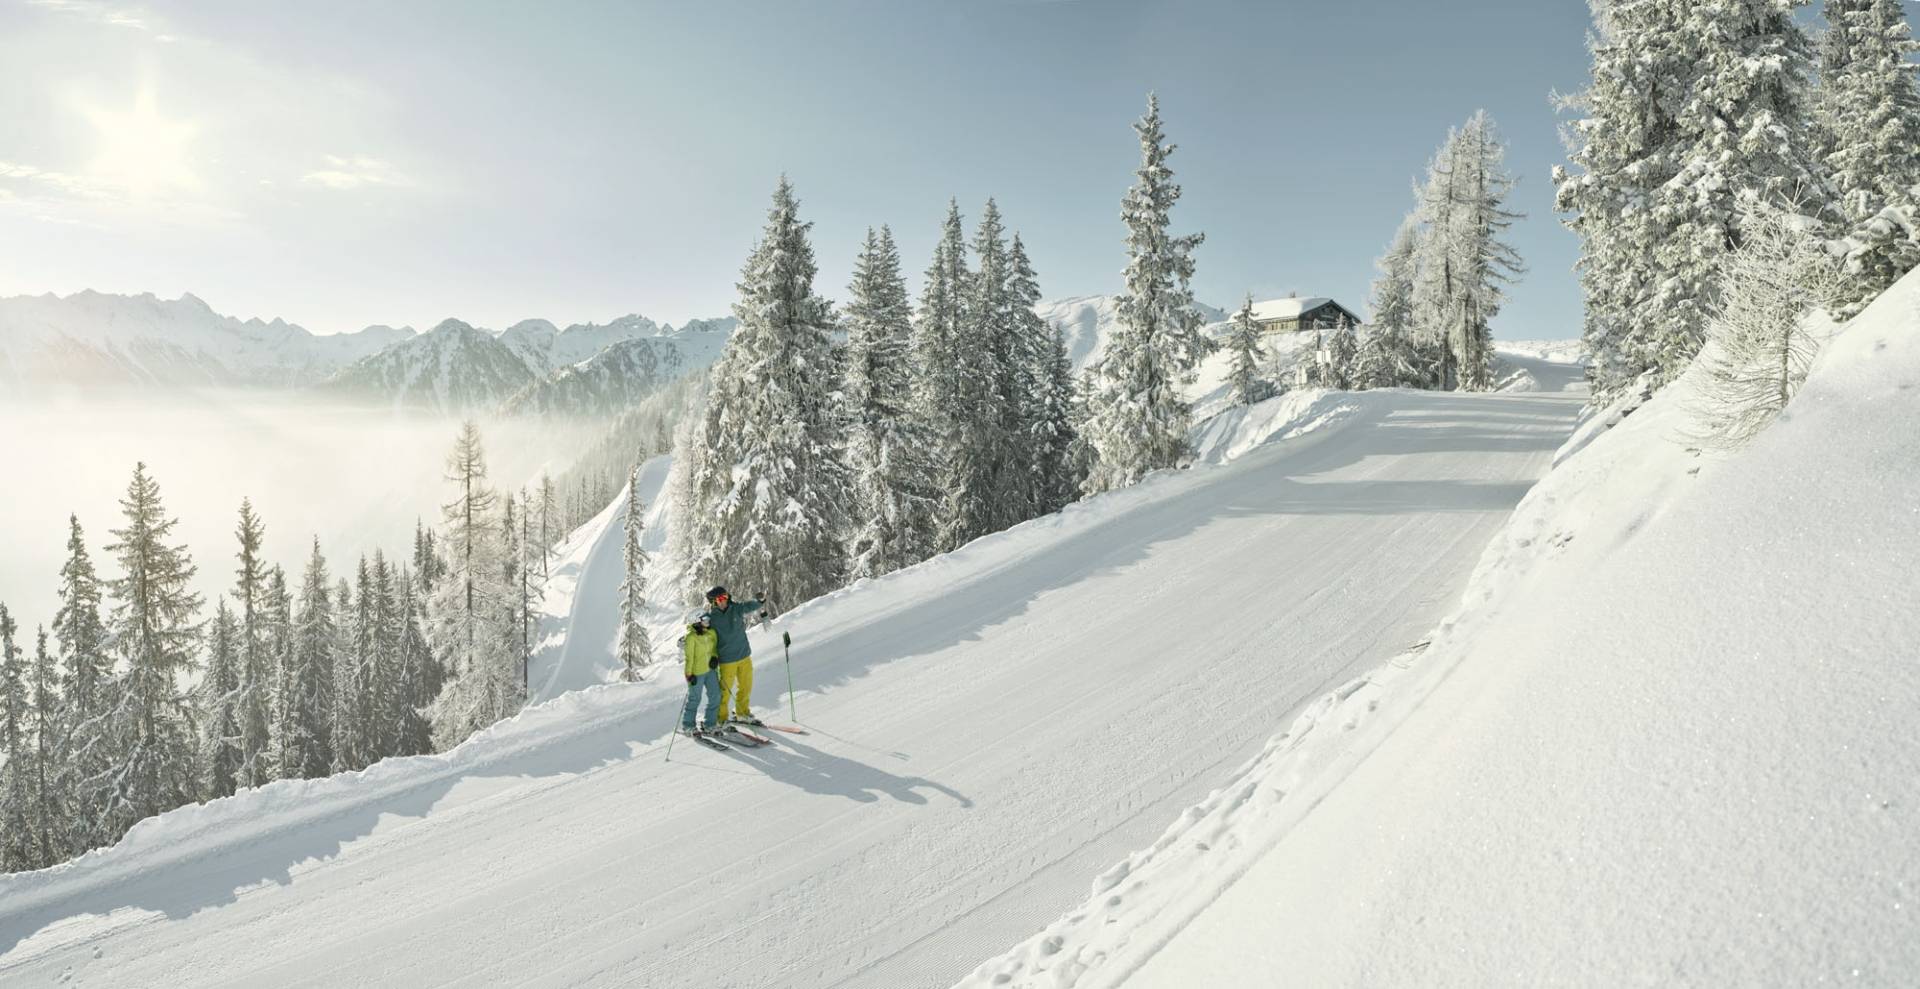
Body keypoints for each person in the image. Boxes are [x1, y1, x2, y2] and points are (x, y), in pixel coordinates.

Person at [702, 585, 767, 727]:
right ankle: (721, 719)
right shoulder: (711, 618)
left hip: (744, 655)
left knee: (746, 686)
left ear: (728, 597)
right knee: (724, 691)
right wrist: (702, 627)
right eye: (718, 599)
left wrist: (760, 601)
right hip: (727, 660)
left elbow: (749, 606)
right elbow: (705, 637)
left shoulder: (736, 609)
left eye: (724, 597)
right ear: (713, 602)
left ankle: (742, 714)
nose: (722, 601)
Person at [679, 614, 721, 735]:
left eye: (709, 618)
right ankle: (688, 725)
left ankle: (710, 724)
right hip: (697, 673)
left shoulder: (711, 633)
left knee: (716, 695)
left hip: (710, 671)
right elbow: (689, 658)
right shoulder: (691, 637)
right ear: (697, 621)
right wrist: (688, 674)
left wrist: (715, 658)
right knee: (695, 698)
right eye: (705, 620)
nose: (708, 621)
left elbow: (714, 650)